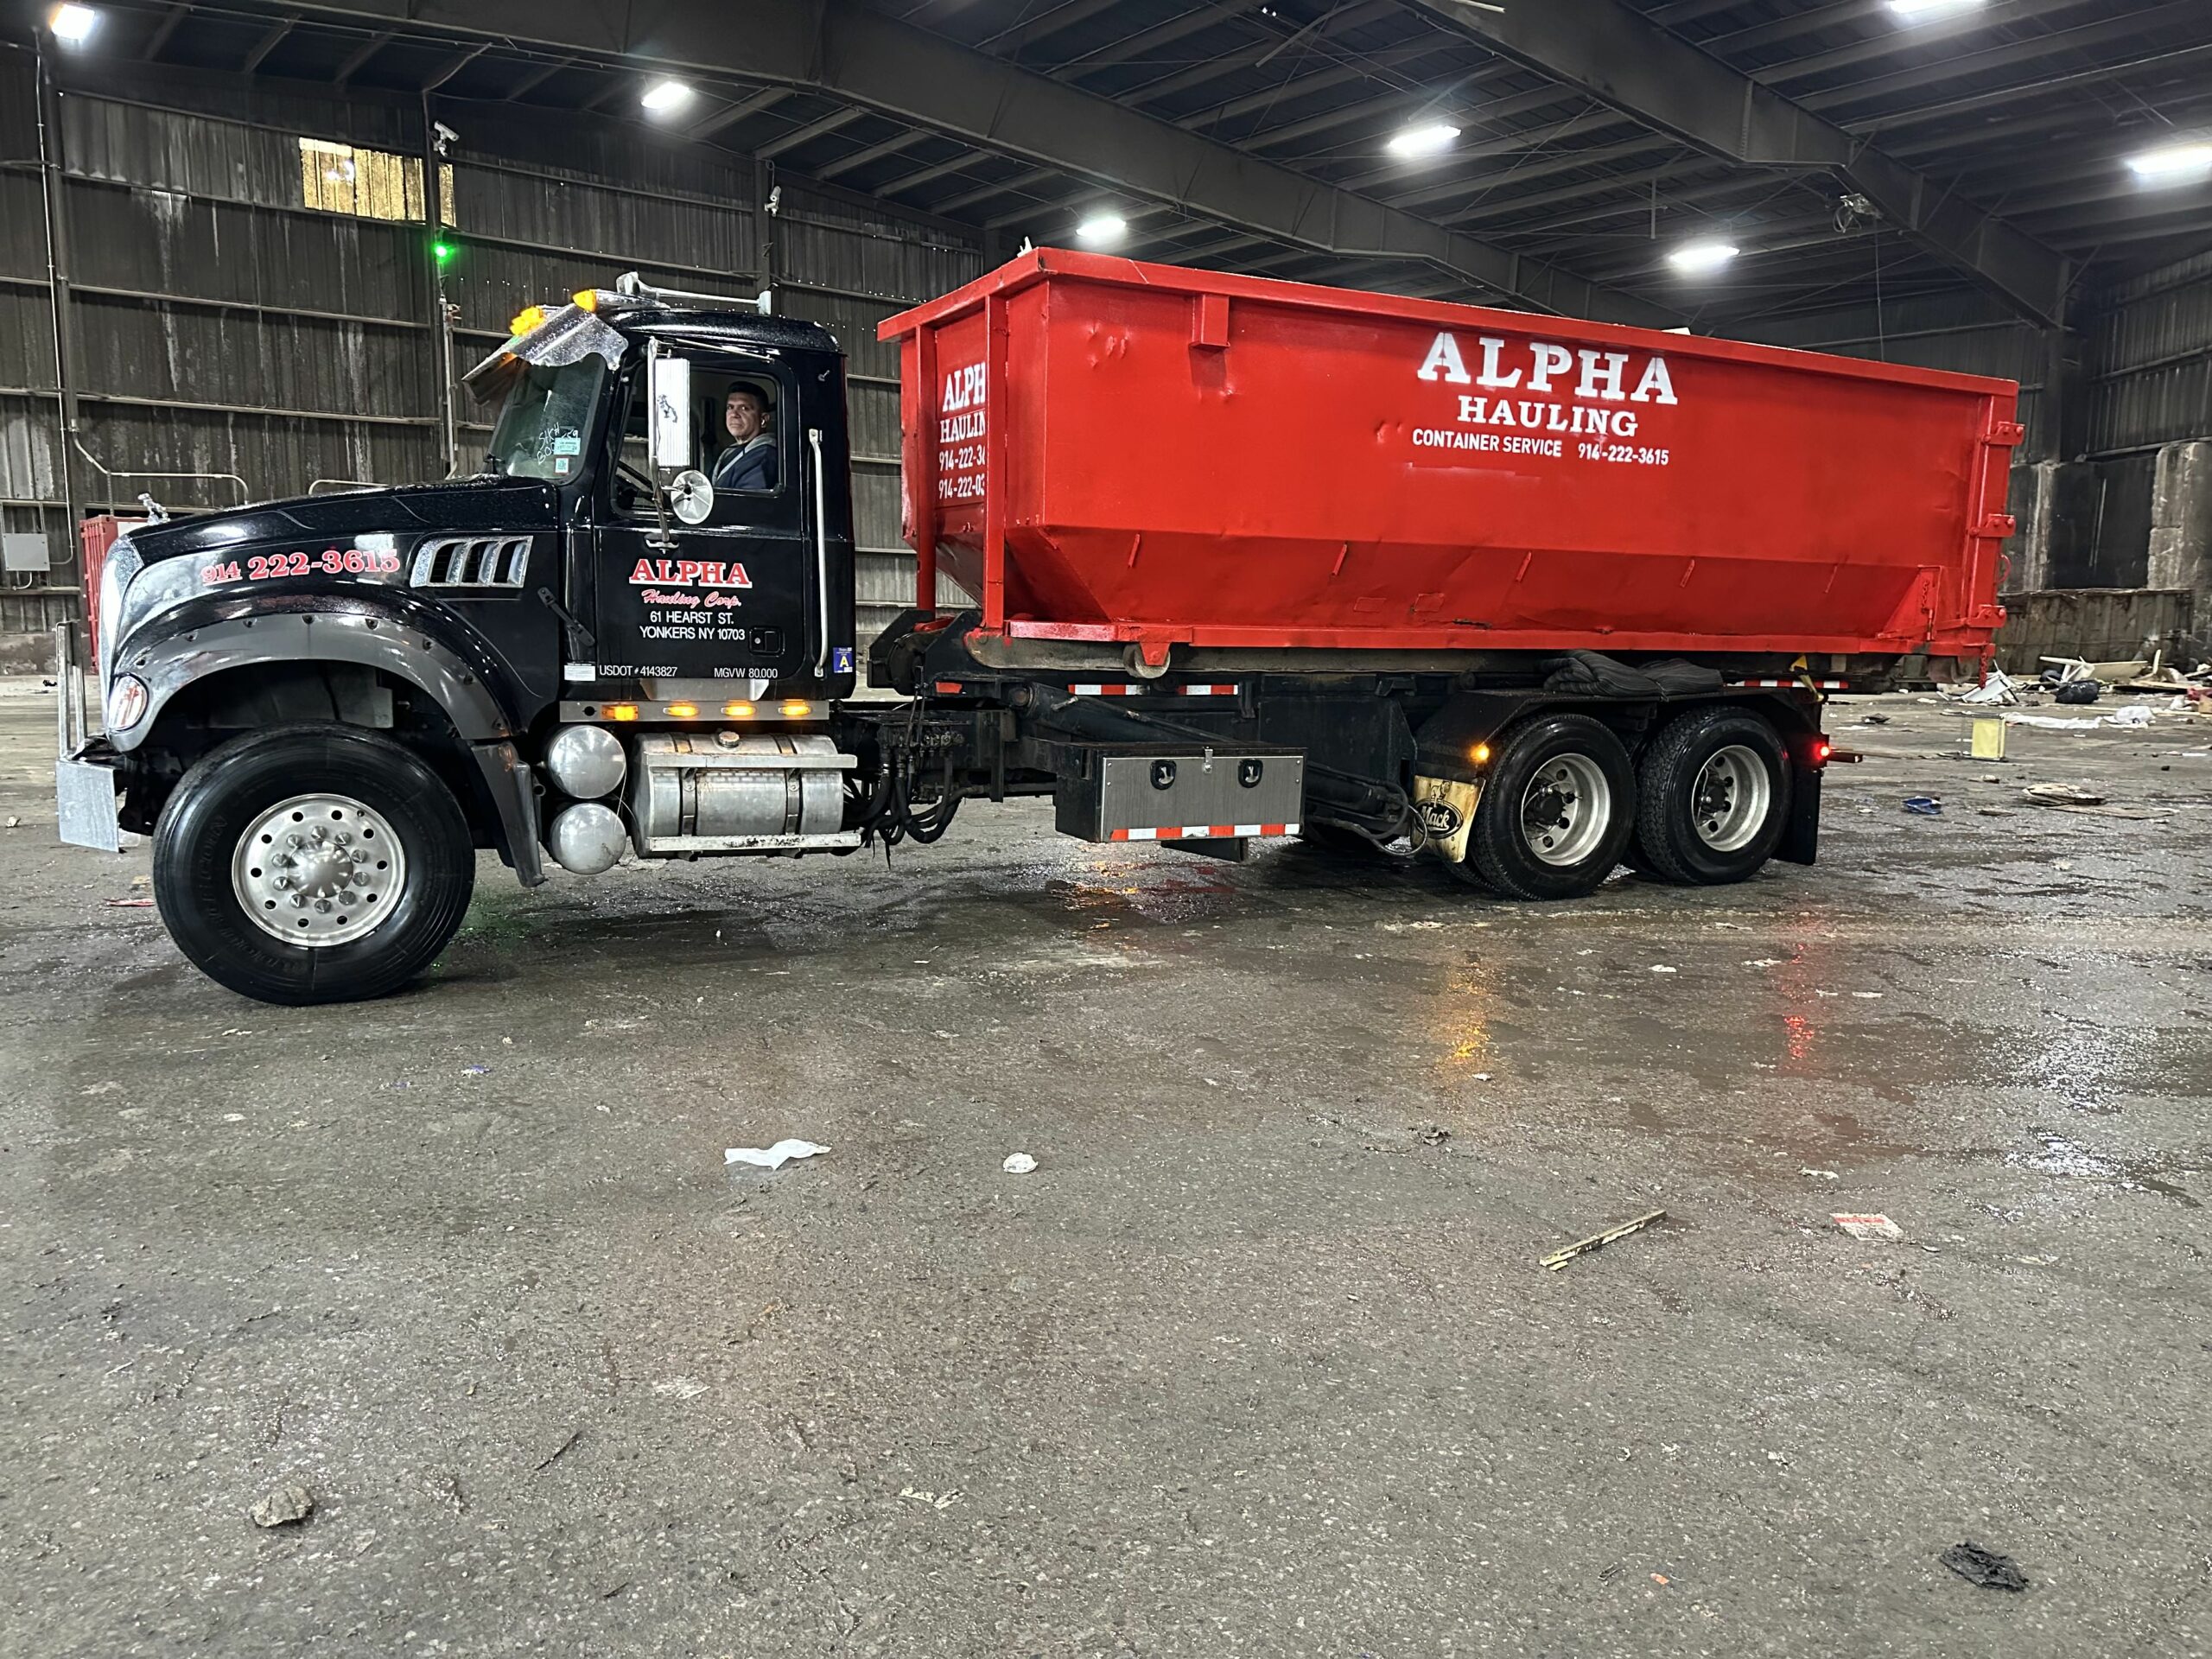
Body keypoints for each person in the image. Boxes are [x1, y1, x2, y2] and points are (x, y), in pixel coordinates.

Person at [712, 385, 778, 492]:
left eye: (744, 408)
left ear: (763, 419)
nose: (734, 414)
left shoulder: (763, 456)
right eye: (730, 407)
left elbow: (748, 504)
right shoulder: (730, 452)